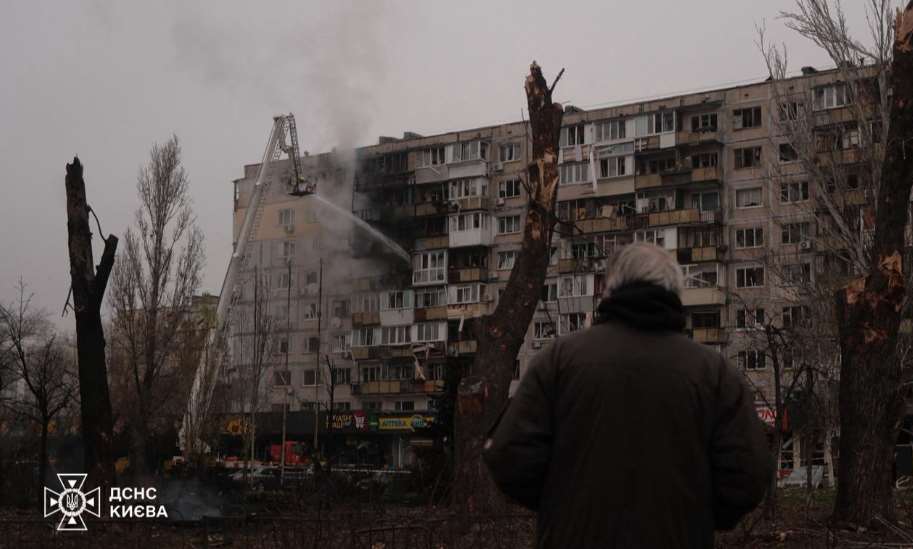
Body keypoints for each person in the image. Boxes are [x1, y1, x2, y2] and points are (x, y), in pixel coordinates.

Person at [483, 242, 772, 549]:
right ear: (676, 293)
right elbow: (749, 475)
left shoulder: (558, 360)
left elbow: (508, 455)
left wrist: (563, 504)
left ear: (609, 289)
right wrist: (696, 515)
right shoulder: (715, 373)